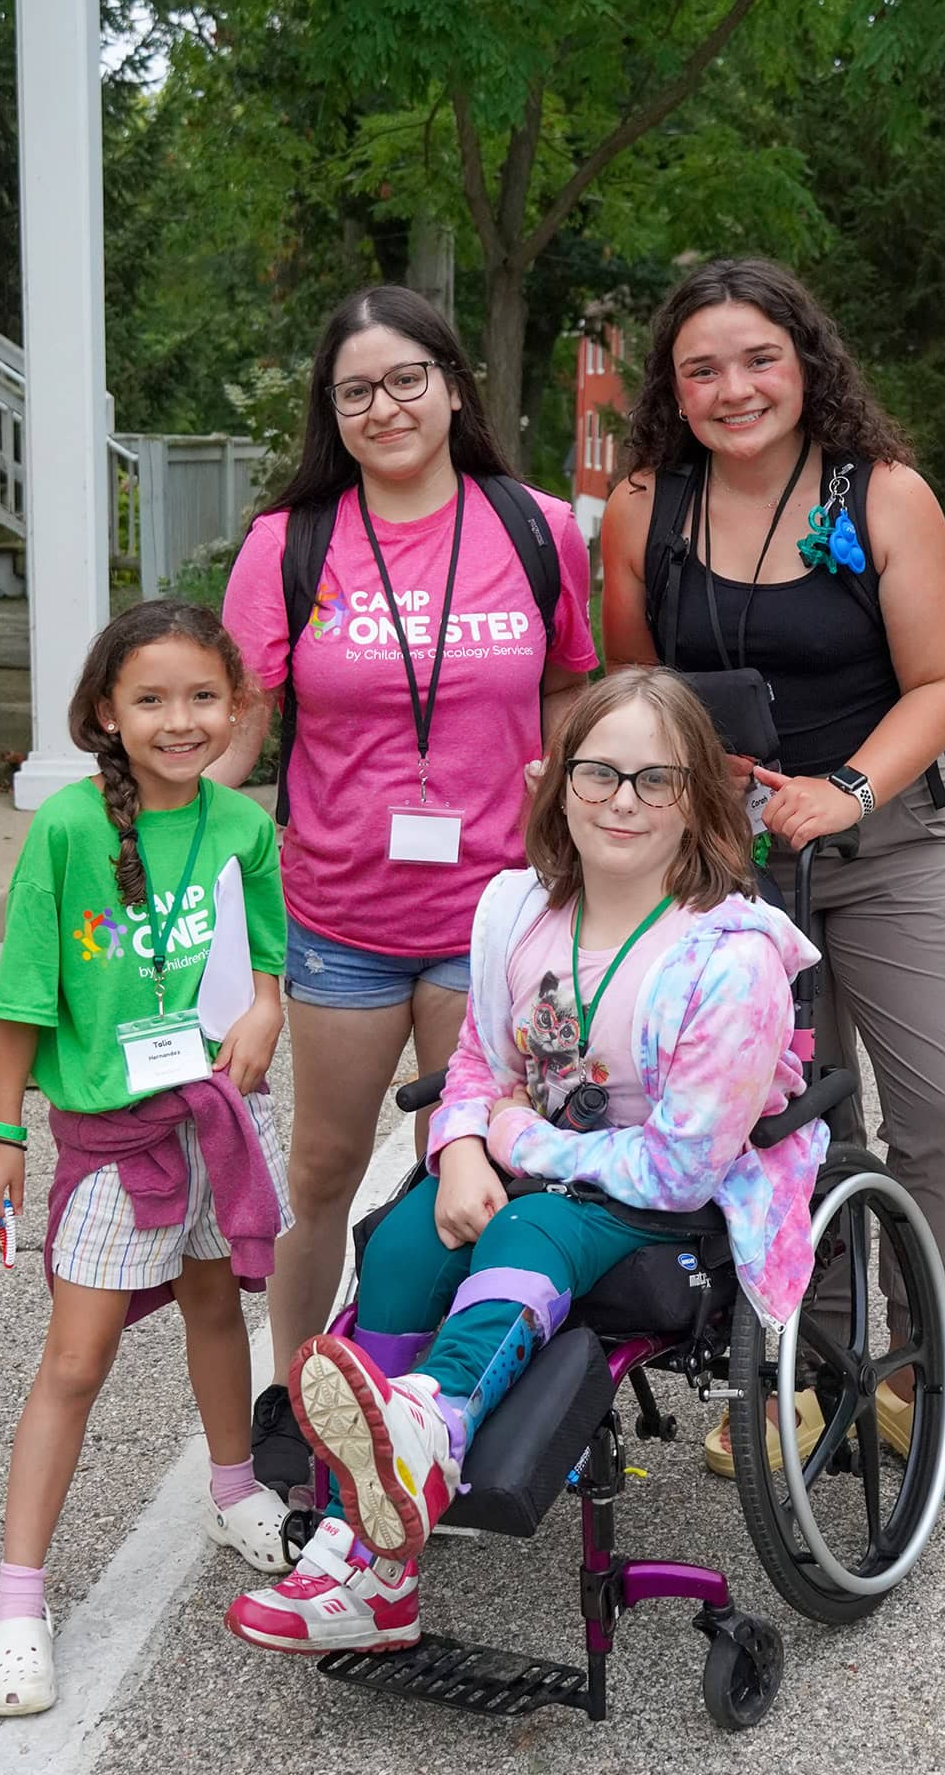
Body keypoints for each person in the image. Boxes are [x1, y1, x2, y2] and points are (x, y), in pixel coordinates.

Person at [223, 668, 828, 1654]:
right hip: (531, 1162)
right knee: (406, 1241)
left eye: (656, 780)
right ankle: (365, 1562)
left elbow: (679, 1168)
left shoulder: (731, 958)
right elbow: (478, 1065)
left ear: (696, 800)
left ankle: (431, 1426)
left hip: (663, 1195)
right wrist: (461, 1147)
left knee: (530, 1225)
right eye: (599, 775)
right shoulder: (518, 911)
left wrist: (508, 1139)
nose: (623, 802)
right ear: (555, 783)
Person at [600, 257, 945, 1495]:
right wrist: (684, 771)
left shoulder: (879, 494)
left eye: (758, 359)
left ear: (806, 362)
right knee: (792, 1123)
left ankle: (916, 1372)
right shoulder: (644, 509)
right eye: (701, 370)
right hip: (728, 871)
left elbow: (940, 680)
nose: (733, 389)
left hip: (885, 845)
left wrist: (846, 790)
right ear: (671, 390)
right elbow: (635, 690)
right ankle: (810, 1365)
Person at [215, 285, 597, 1502]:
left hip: (495, 921)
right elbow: (240, 724)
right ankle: (303, 1402)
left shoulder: (536, 528)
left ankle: (450, 1403)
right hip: (338, 918)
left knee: (477, 1169)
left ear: (451, 384)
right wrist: (145, 830)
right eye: (355, 391)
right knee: (323, 1171)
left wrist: (570, 814)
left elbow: (568, 692)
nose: (384, 407)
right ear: (331, 412)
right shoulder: (289, 544)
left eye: (405, 379)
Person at [0, 601, 293, 1717]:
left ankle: (235, 1489)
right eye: (150, 699)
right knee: (76, 1358)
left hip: (215, 1121)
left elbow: (265, 957)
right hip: (115, 1140)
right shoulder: (65, 830)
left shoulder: (242, 826)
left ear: (238, 707)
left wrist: (265, 1006)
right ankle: (17, 1601)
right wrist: (3, 1133)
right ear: (106, 712)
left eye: (203, 696)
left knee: (215, 1308)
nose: (179, 720)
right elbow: (22, 995)